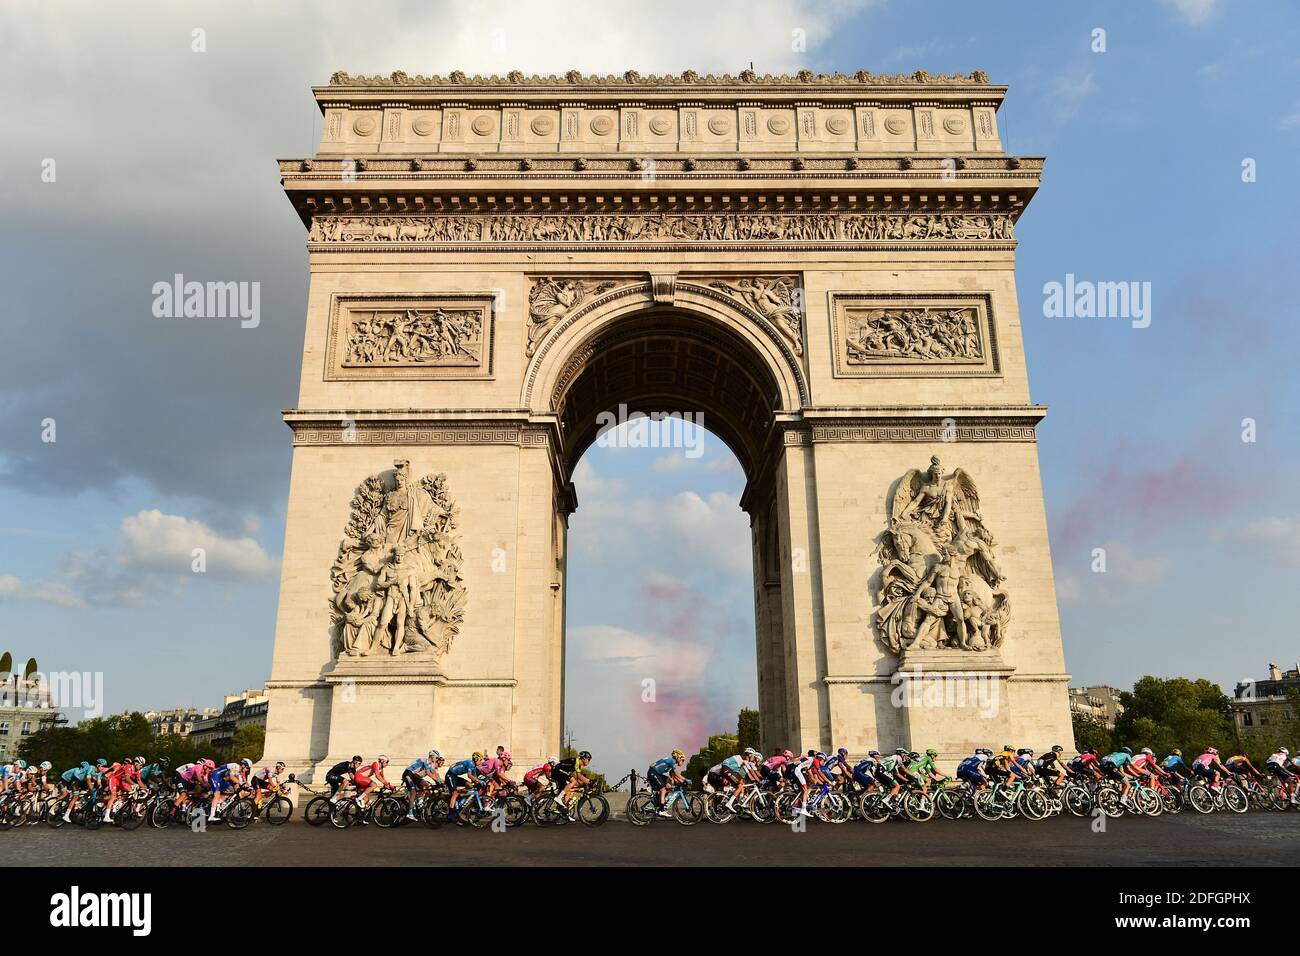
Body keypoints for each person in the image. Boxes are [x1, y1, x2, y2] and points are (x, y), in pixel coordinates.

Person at [646, 749, 686, 815]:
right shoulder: (671, 761)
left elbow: (673, 776)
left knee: (670, 782)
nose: (683, 761)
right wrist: (685, 780)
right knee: (663, 789)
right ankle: (661, 810)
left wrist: (681, 782)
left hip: (657, 773)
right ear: (677, 757)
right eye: (682, 759)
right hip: (653, 772)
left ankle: (660, 799)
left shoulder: (672, 763)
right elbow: (676, 773)